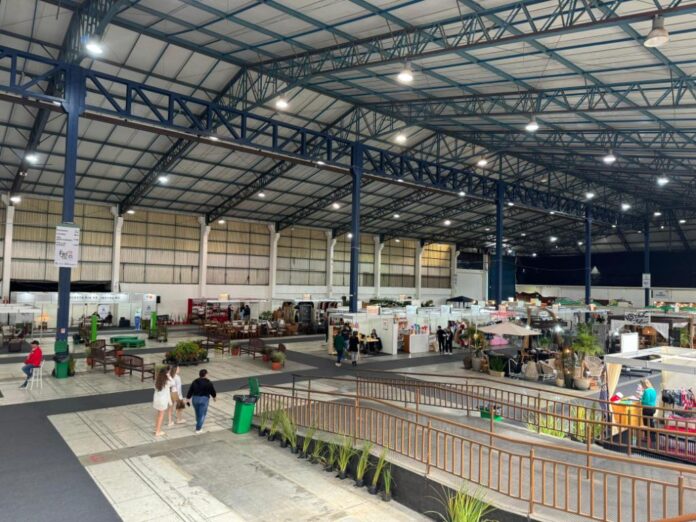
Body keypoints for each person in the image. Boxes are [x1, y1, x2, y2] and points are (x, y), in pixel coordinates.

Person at [186, 369, 217, 434]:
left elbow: (190, 390)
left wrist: (188, 398)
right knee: (202, 414)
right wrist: (214, 397)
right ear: (205, 375)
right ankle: (198, 428)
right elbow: (212, 391)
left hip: (195, 399)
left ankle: (198, 423)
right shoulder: (208, 382)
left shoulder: (195, 381)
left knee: (197, 413)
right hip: (204, 399)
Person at [153, 367, 173, 437]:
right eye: (168, 373)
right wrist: (169, 376)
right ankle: (158, 431)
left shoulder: (157, 381)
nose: (169, 373)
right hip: (163, 401)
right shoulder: (167, 382)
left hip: (157, 400)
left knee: (158, 415)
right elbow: (173, 383)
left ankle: (156, 429)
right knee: (161, 416)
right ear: (166, 374)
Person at [640, 378, 657, 446]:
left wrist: (641, 400)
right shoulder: (653, 389)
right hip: (653, 408)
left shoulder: (646, 391)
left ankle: (647, 437)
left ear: (644, 384)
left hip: (647, 408)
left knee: (646, 423)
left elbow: (646, 401)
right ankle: (653, 437)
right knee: (651, 422)